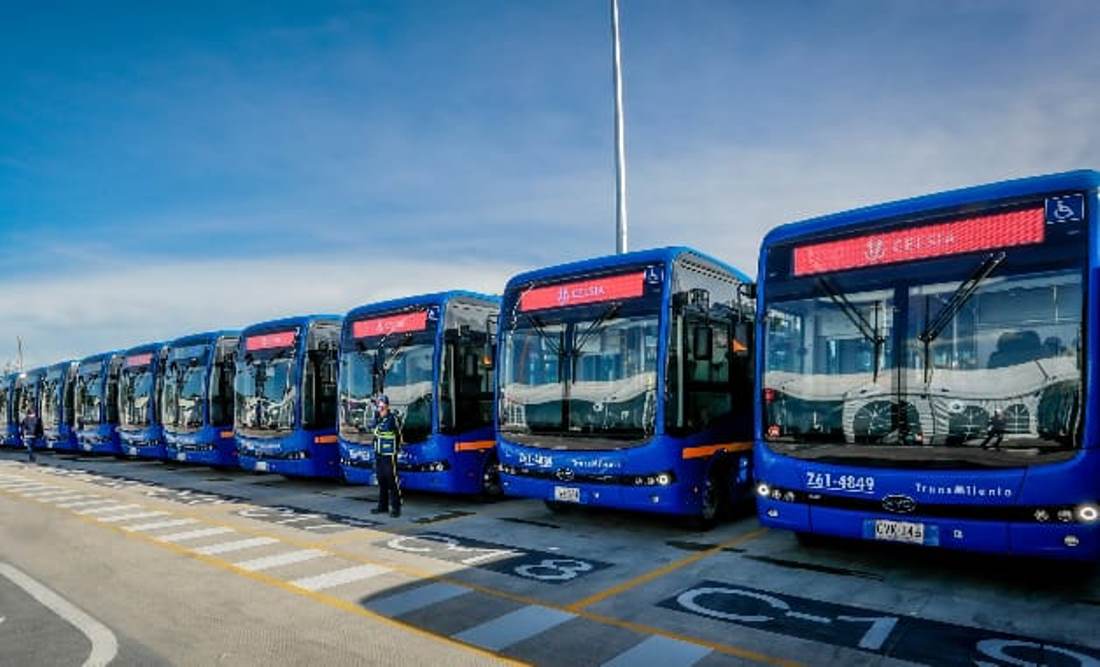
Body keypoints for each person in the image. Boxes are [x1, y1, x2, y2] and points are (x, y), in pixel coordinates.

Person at [369, 395, 402, 518]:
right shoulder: (377, 418)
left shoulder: (392, 418)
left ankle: (396, 507)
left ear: (387, 406)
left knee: (391, 480)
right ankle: (382, 506)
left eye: (382, 405)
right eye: (379, 406)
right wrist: (376, 417)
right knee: (381, 479)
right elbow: (372, 428)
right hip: (379, 453)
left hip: (389, 454)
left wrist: (397, 448)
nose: (380, 408)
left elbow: (397, 434)